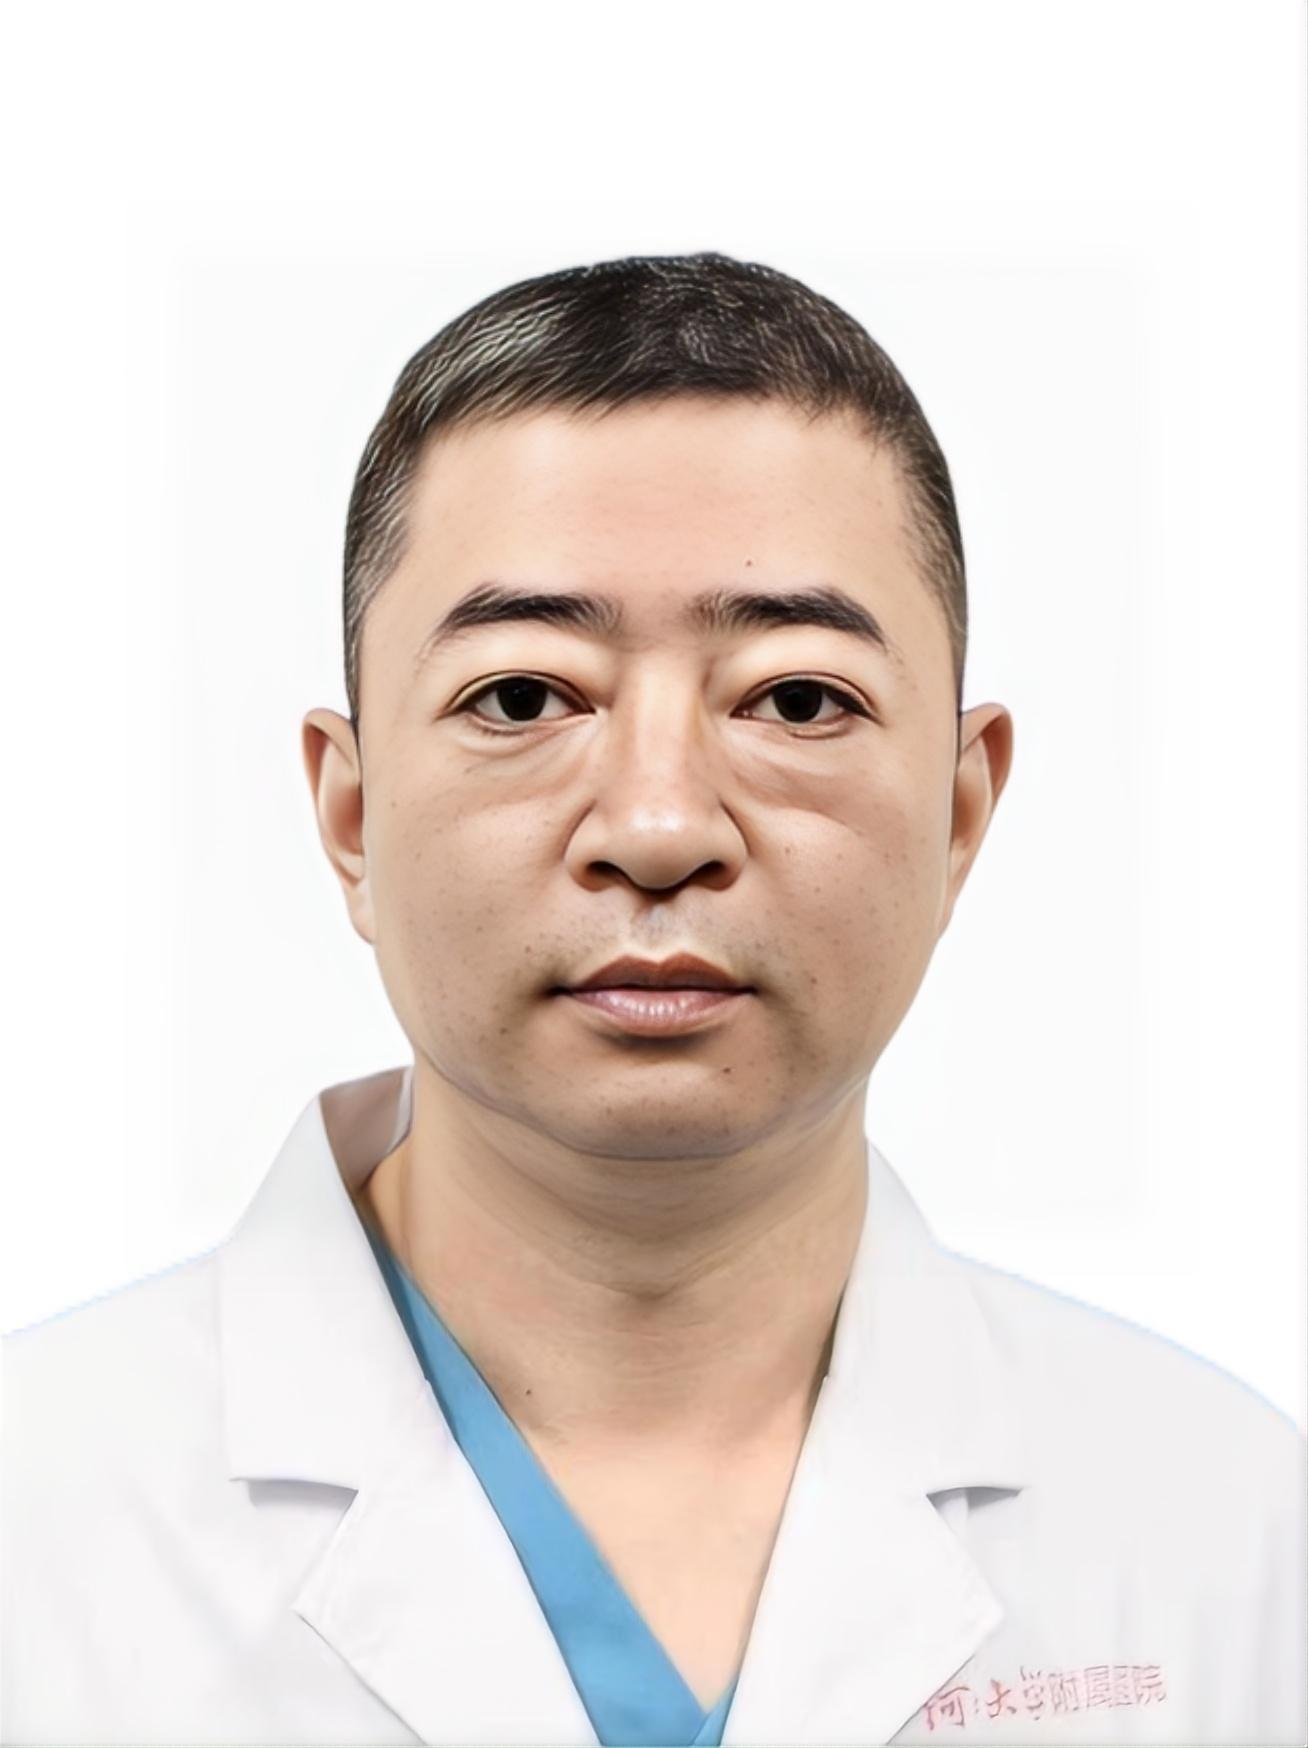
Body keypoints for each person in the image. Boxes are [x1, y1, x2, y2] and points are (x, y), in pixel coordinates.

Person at [2, 252, 1303, 1748]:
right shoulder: (38, 1515)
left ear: (959, 814)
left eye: (797, 700)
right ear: (352, 816)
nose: (661, 825)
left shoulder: (1233, 1539)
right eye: (522, 697)